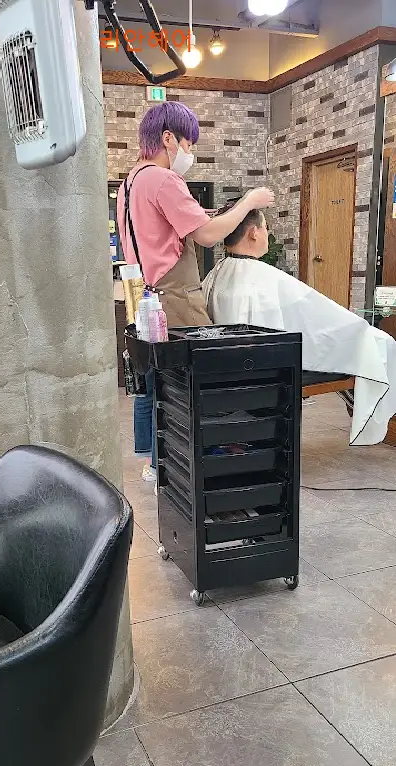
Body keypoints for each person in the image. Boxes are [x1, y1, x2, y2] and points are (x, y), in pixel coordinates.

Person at [117, 102, 274, 486]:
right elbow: (205, 235)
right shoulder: (163, 179)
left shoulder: (129, 183)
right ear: (168, 138)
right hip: (173, 298)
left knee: (155, 383)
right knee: (188, 385)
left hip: (142, 298)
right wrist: (249, 202)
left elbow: (181, 224)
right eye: (188, 143)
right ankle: (183, 466)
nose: (189, 152)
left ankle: (155, 461)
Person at [202, 203, 396, 447]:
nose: (266, 233)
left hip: (234, 366)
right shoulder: (266, 279)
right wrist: (364, 331)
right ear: (253, 233)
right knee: (380, 345)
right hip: (269, 370)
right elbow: (326, 320)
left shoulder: (216, 273)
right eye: (265, 227)